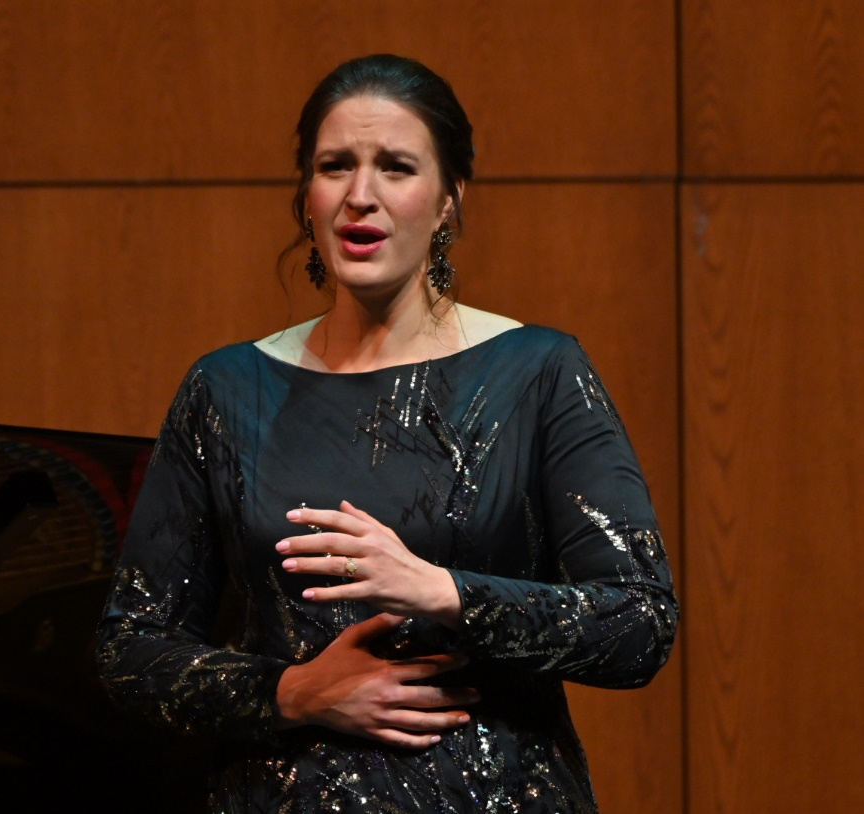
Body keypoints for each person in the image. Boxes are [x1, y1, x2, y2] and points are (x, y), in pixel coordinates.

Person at [96, 54, 678, 813]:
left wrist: (437, 589)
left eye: (395, 168)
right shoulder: (226, 389)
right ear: (306, 196)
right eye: (335, 166)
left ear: (446, 201)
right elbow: (129, 650)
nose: (359, 197)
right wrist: (292, 691)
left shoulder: (537, 369)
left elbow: (639, 624)